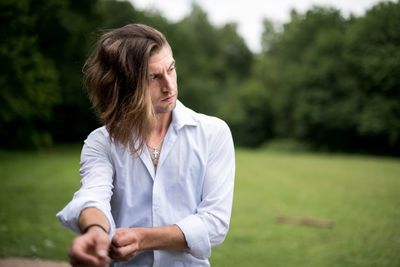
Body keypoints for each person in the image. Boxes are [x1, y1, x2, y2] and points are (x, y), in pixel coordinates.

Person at [57, 23, 235, 267]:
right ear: (127, 84)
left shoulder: (213, 133)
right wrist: (96, 232)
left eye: (171, 69)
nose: (169, 86)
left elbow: (214, 224)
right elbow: (92, 196)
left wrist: (141, 238)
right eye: (153, 77)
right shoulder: (102, 142)